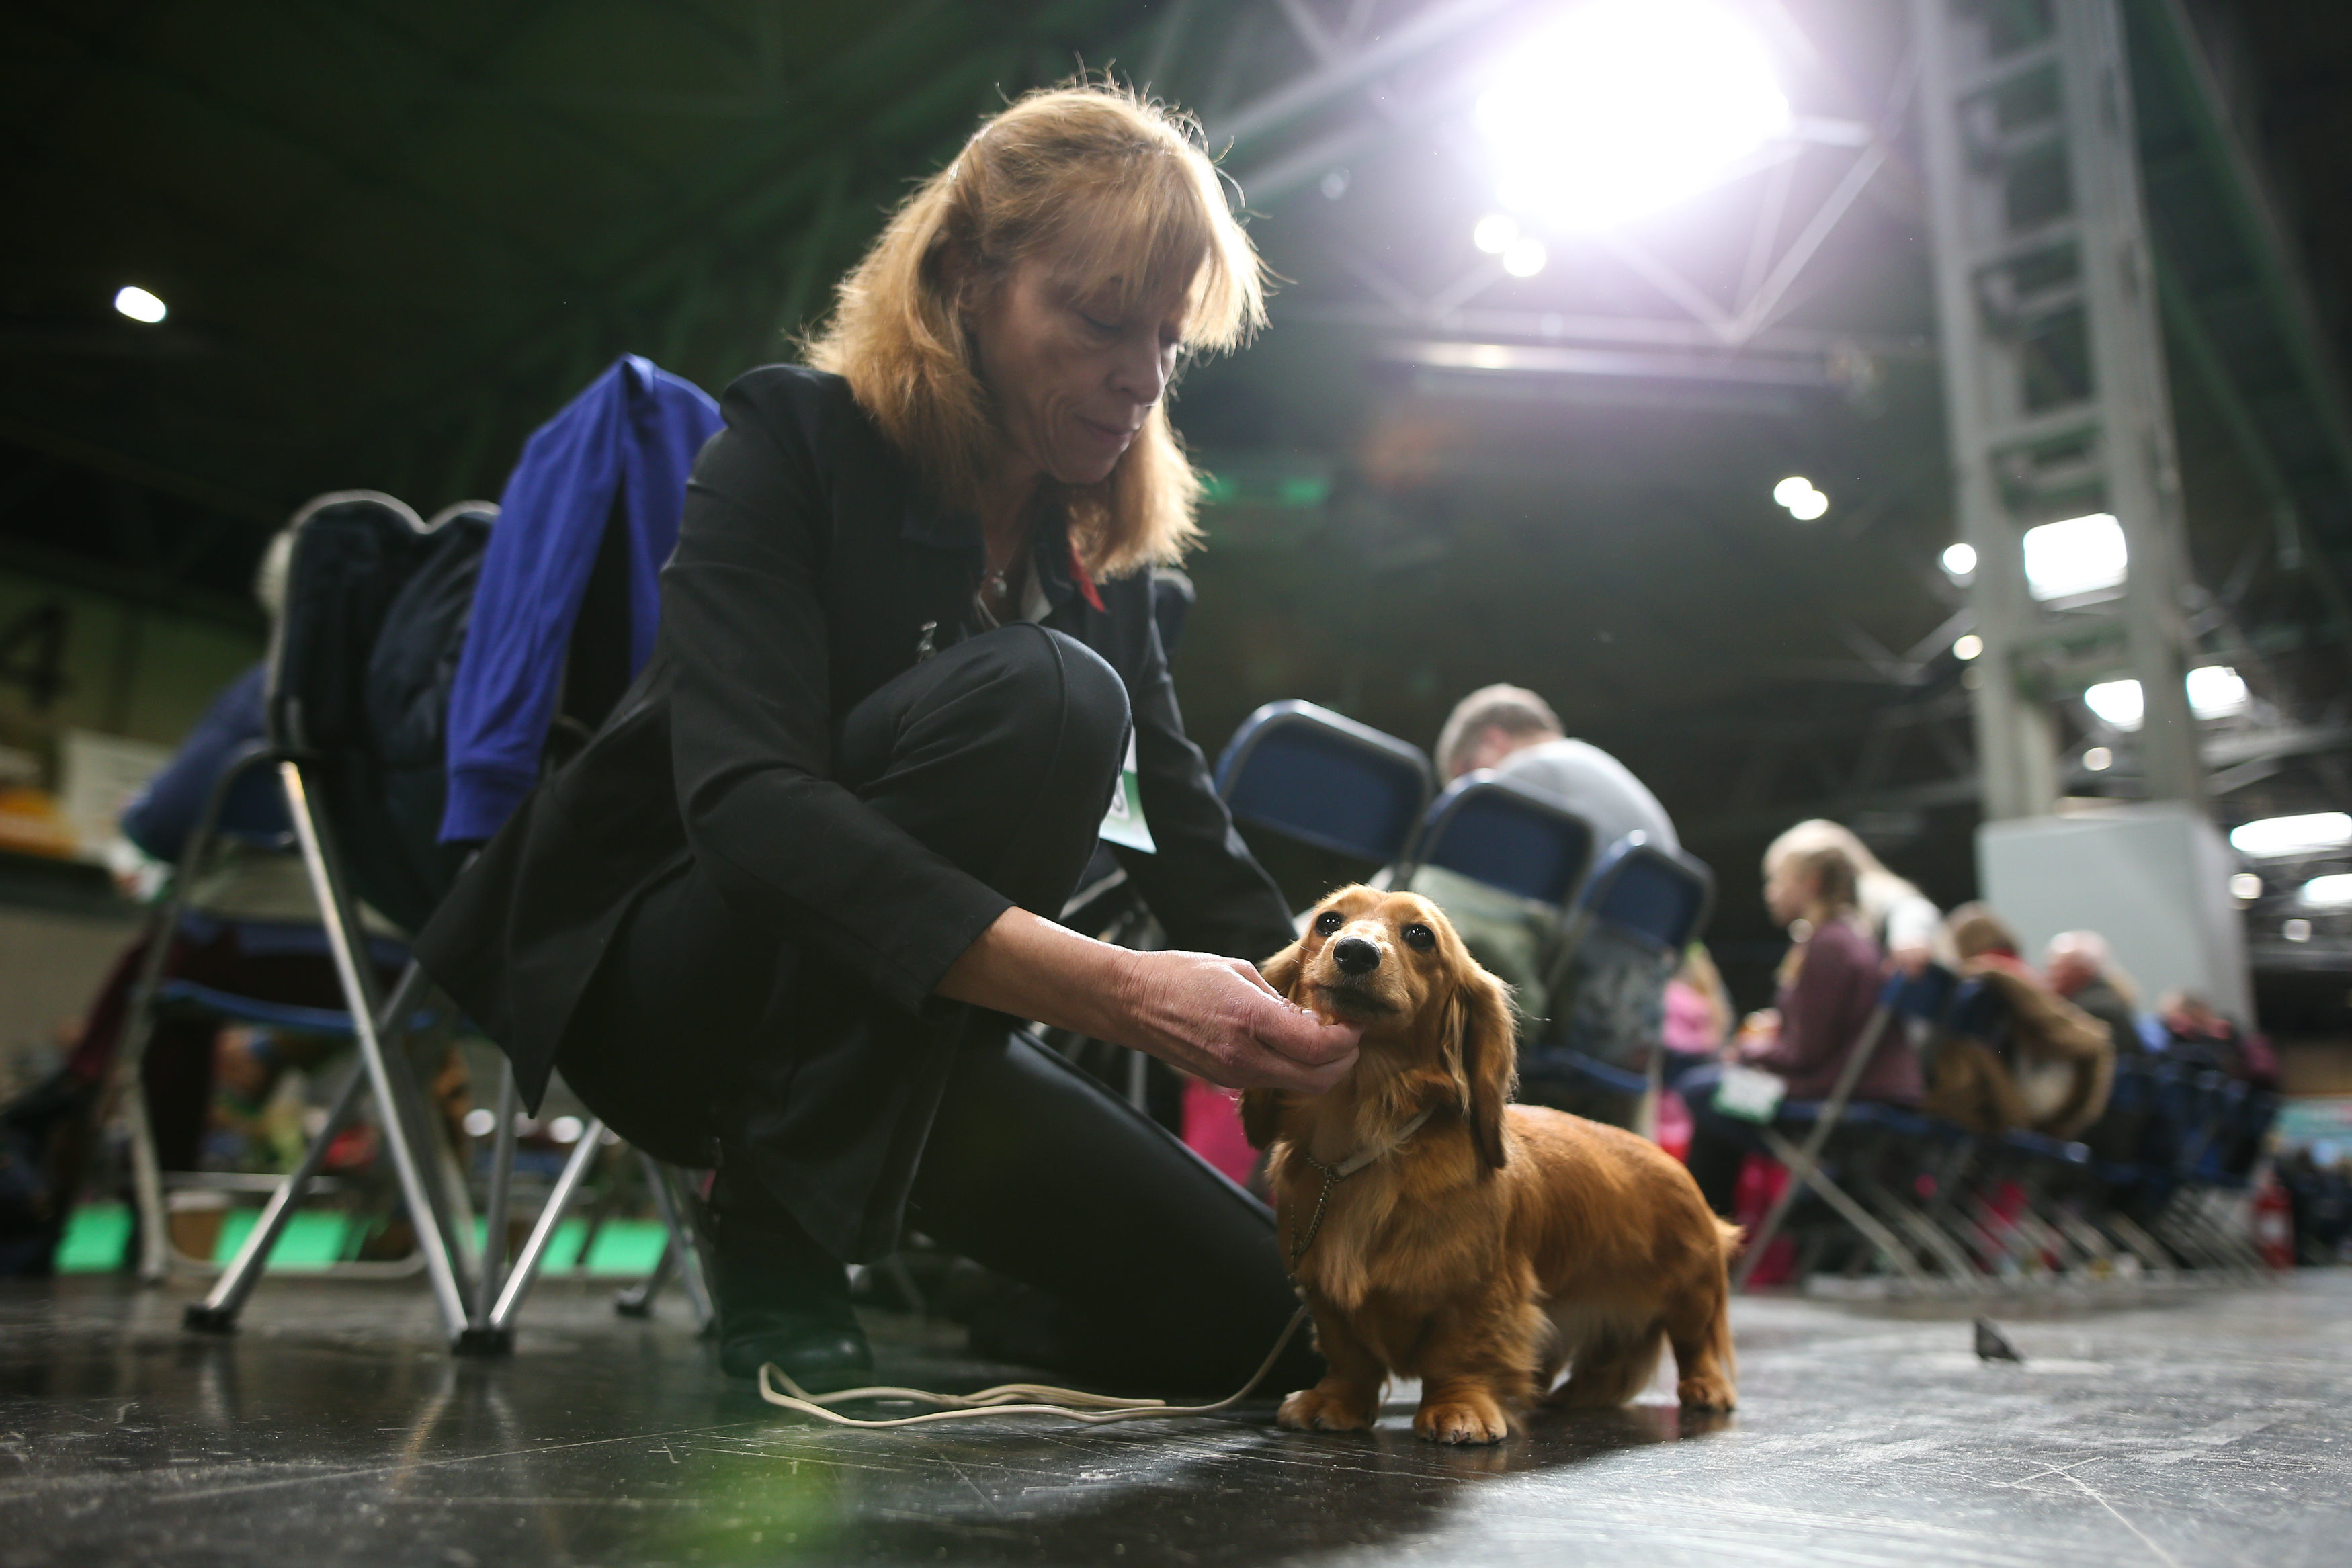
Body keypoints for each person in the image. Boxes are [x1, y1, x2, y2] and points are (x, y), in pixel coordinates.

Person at [414, 85, 1360, 1394]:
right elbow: (748, 810)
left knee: (1281, 1337)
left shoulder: (1099, 549)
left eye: (1164, 340)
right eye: (1099, 321)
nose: (1141, 379)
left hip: (915, 1025)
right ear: (969, 277)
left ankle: (1005, 1292)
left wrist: (1357, 1033)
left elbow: (1180, 830)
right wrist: (1126, 993)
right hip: (678, 987)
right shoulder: (787, 445)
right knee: (1053, 696)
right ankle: (771, 1221)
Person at [1408, 684, 1679, 1127]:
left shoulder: (1525, 776)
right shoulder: (1629, 793)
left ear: (1494, 741)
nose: (1465, 791)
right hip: (1629, 1033)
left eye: (1463, 776)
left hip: (1564, 1011)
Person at [1679, 842, 1919, 1218]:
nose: (1769, 893)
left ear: (1812, 883)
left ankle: (1702, 1228)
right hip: (1853, 1088)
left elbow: (1802, 1054)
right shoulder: (1852, 938)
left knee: (1701, 1088)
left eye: (1777, 881)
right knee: (1716, 1094)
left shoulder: (1828, 944)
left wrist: (1745, 1052)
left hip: (1828, 1096)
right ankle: (1707, 1229)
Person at [1921, 904, 2112, 1139]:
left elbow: (2080, 1039)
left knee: (1962, 1051)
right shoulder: (2022, 976)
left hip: (2019, 1111)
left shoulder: (1989, 981)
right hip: (2054, 1110)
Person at [1762, 820, 1941, 975]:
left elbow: (1912, 907)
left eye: (1776, 878)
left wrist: (1909, 936)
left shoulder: (1868, 889)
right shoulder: (1814, 928)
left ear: (1813, 878)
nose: (1770, 892)